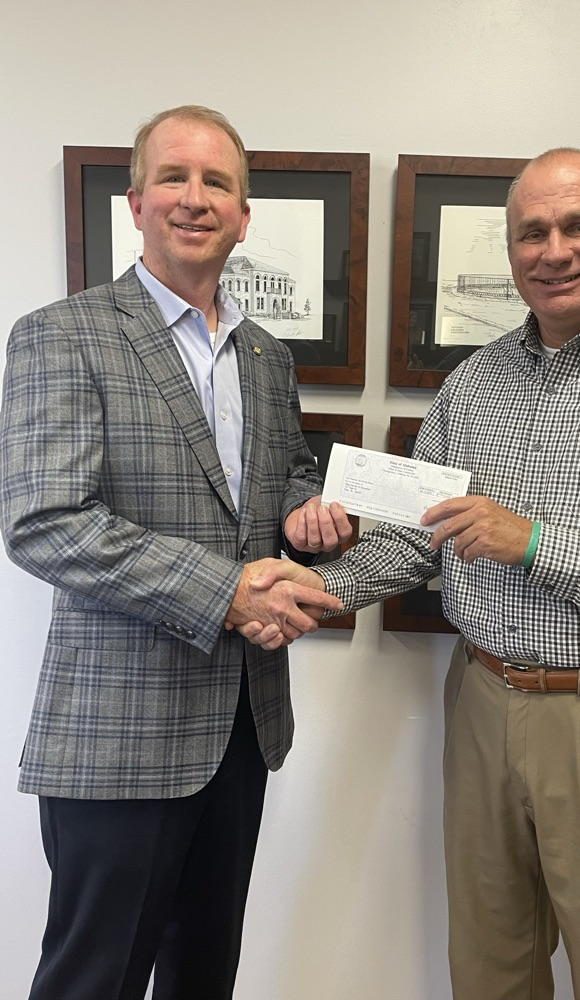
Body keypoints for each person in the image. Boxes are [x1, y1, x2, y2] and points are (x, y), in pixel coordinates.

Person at [247, 149, 580, 1000]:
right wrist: (313, 591)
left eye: (579, 225)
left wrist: (534, 543)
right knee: (489, 964)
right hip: (483, 700)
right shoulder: (474, 384)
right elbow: (416, 540)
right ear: (511, 251)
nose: (555, 250)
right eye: (533, 232)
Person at [0, 104, 351, 1000]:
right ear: (135, 201)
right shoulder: (61, 334)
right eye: (174, 178)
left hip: (242, 721)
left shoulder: (265, 355)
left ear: (244, 214)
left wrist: (305, 509)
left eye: (218, 183)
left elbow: (280, 478)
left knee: (204, 975)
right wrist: (228, 591)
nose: (194, 199)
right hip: (117, 731)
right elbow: (46, 522)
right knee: (94, 979)